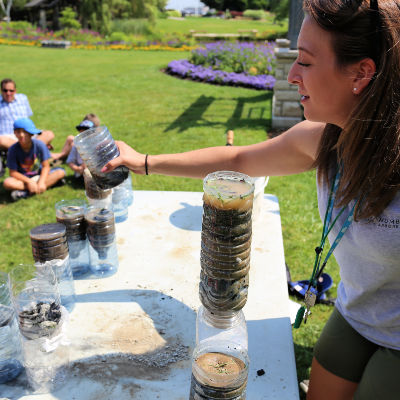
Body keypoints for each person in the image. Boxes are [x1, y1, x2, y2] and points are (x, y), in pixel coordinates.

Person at [102, 1, 400, 399]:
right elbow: (239, 159)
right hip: (355, 313)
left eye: (306, 62)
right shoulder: (328, 138)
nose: (292, 75)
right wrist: (143, 161)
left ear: (361, 73)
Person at [3, 118, 66, 201]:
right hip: (23, 180)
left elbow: (46, 166)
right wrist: (29, 182)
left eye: (25, 132)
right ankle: (46, 186)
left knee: (61, 172)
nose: (21, 135)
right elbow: (13, 172)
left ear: (31, 134)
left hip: (40, 175)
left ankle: (25, 193)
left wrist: (41, 182)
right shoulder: (12, 150)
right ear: (15, 133)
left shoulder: (39, 145)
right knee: (7, 183)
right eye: (18, 132)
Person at [0, 79, 55, 151]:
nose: (8, 93)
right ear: (1, 90)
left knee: (49, 134)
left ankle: (28, 149)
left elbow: (28, 117)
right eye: (5, 90)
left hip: (28, 133)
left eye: (11, 91)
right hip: (8, 136)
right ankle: (32, 149)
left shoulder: (23, 98)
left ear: (15, 91)